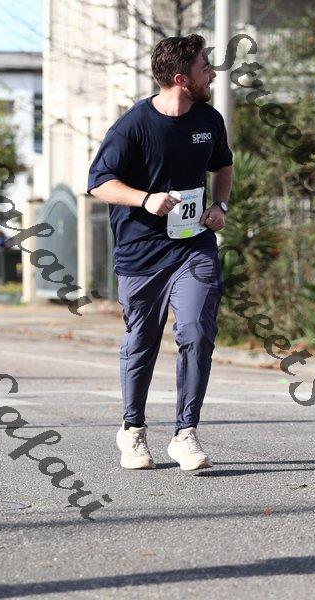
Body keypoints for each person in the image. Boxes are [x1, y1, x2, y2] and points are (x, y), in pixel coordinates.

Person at [88, 34, 233, 471]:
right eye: (204, 67)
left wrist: (220, 205)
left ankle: (185, 433)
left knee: (197, 330)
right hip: (142, 252)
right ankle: (132, 430)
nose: (212, 73)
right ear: (181, 78)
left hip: (193, 247)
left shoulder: (209, 119)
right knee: (142, 340)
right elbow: (99, 183)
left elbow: (223, 165)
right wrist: (145, 199)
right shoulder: (133, 125)